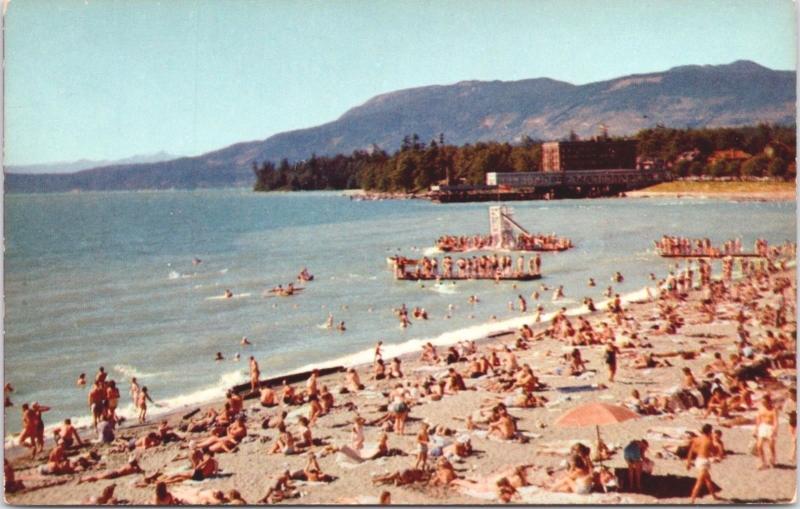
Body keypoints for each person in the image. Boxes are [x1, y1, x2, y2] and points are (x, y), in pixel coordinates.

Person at [686, 424, 720, 503]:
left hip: (698, 460)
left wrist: (688, 462)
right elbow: (714, 452)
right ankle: (692, 500)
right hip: (704, 462)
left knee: (708, 479)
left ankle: (714, 496)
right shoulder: (708, 441)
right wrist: (716, 444)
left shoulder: (696, 439)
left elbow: (691, 451)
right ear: (710, 431)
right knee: (700, 481)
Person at [754, 393, 778, 469]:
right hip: (763, 427)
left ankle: (773, 460)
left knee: (771, 446)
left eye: (764, 402)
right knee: (759, 446)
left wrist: (775, 430)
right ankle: (763, 462)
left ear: (768, 401)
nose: (763, 403)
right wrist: (756, 429)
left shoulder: (774, 409)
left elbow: (776, 421)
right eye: (762, 402)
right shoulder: (761, 409)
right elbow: (758, 420)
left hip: (770, 427)